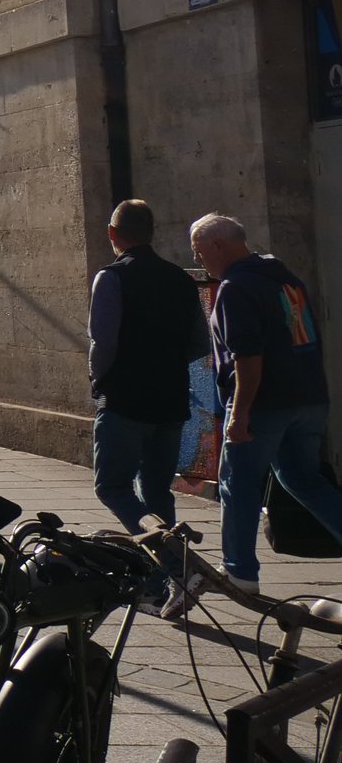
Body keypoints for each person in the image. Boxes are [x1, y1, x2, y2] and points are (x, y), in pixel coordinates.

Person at [191, 212, 342, 588]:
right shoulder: (287, 281)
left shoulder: (235, 288)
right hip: (309, 398)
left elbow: (248, 357)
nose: (198, 260)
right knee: (302, 478)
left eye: (198, 251)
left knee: (237, 483)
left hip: (263, 403)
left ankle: (239, 571)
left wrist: (239, 415)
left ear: (217, 245)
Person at [87, 198, 209, 533]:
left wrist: (97, 381)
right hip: (171, 401)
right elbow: (201, 341)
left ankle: (167, 559)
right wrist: (165, 363)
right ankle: (166, 579)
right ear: (151, 233)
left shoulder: (112, 278)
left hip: (124, 401)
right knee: (157, 491)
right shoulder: (182, 281)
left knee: (112, 487)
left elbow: (103, 342)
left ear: (112, 232)